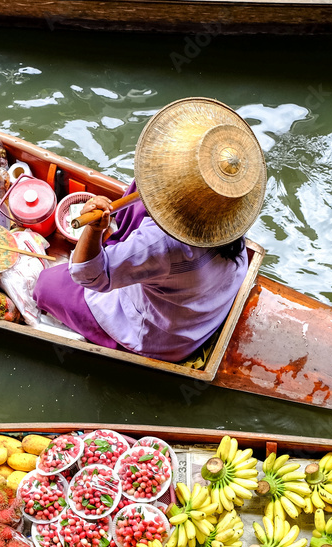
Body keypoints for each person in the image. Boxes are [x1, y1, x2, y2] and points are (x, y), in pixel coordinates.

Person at [33, 98, 266, 362]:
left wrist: (94, 230)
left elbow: (88, 276)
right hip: (204, 310)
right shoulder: (228, 213)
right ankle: (119, 252)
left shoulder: (159, 244)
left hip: (162, 337)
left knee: (46, 285)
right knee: (139, 188)